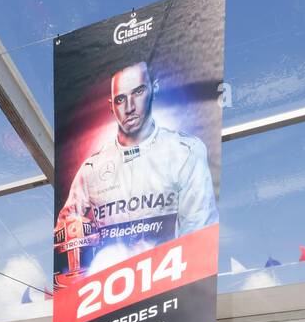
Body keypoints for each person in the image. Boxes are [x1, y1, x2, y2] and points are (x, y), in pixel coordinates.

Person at [55, 60, 218, 274]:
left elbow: (200, 230)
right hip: (108, 289)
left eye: (138, 92)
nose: (130, 107)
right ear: (111, 106)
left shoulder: (184, 152)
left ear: (154, 89)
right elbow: (63, 233)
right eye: (120, 99)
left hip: (170, 284)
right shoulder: (92, 169)